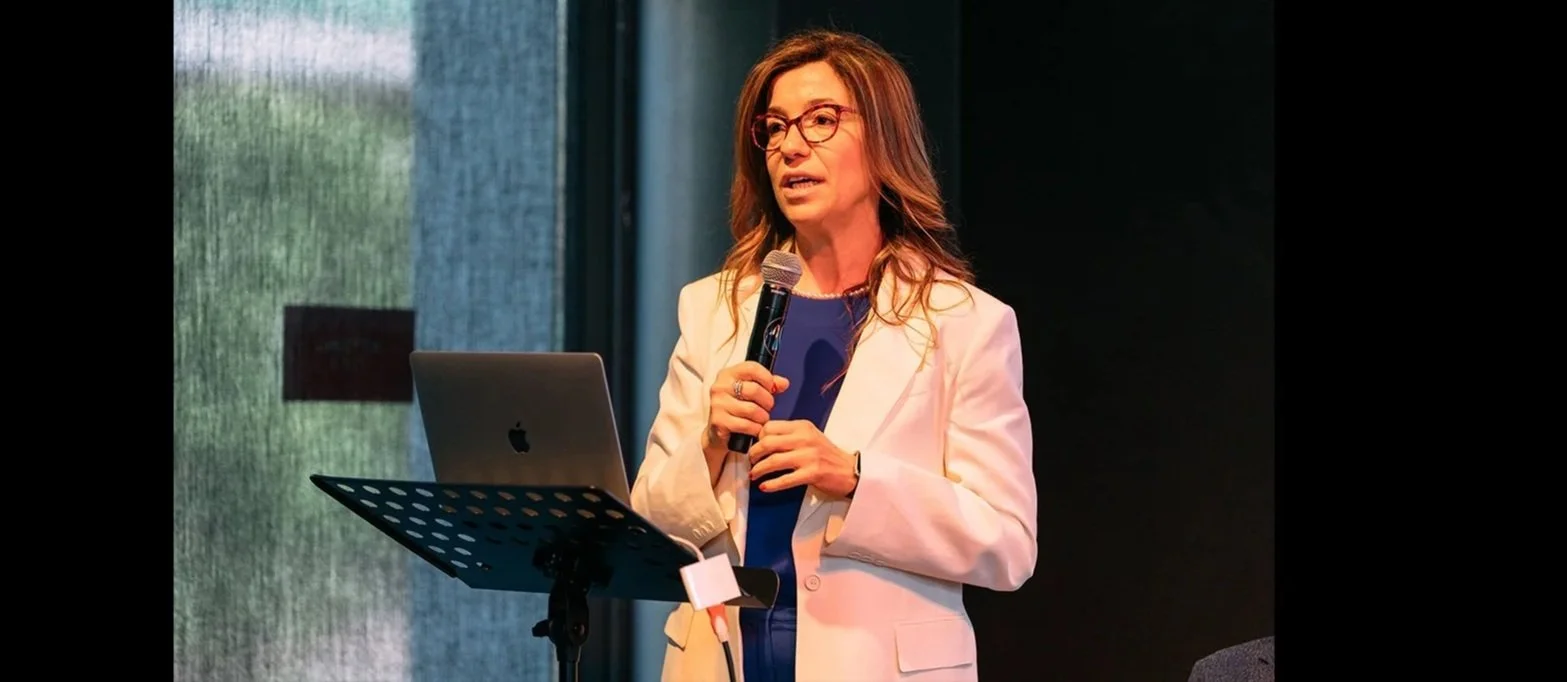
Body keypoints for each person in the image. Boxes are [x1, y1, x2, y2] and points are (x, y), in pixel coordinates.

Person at [630, 28, 1037, 682]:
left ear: (883, 140)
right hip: (722, 659)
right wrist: (710, 444)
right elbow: (649, 518)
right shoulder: (712, 309)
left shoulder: (963, 322)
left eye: (821, 120)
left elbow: (1007, 543)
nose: (791, 146)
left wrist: (855, 478)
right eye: (774, 128)